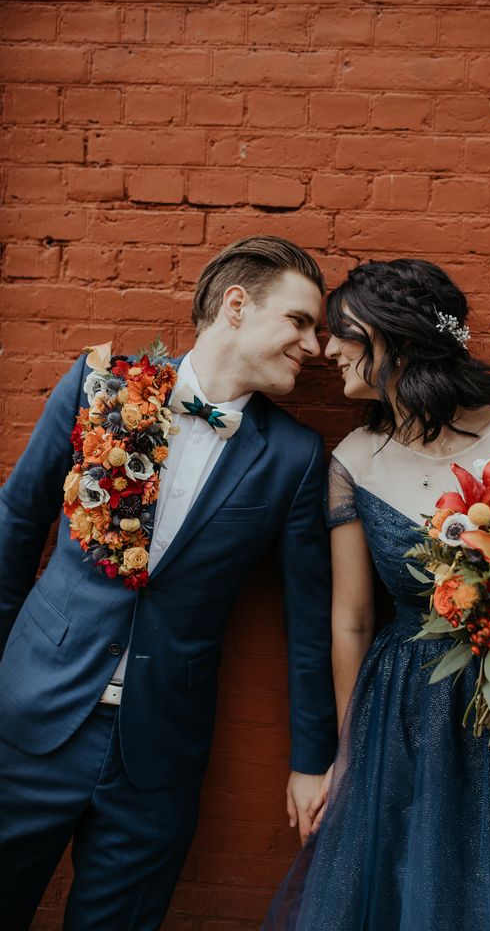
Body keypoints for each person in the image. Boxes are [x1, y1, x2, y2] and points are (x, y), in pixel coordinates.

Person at [263, 259, 490, 931]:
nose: (326, 349)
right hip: (402, 707)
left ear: (394, 339)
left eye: (342, 332)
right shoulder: (353, 460)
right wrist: (350, 751)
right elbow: (349, 620)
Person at [0, 235, 336, 930]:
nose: (315, 346)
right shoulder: (97, 388)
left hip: (158, 757)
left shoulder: (296, 458)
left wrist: (313, 759)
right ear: (237, 306)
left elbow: (309, 622)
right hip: (29, 722)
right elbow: (13, 528)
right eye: (300, 322)